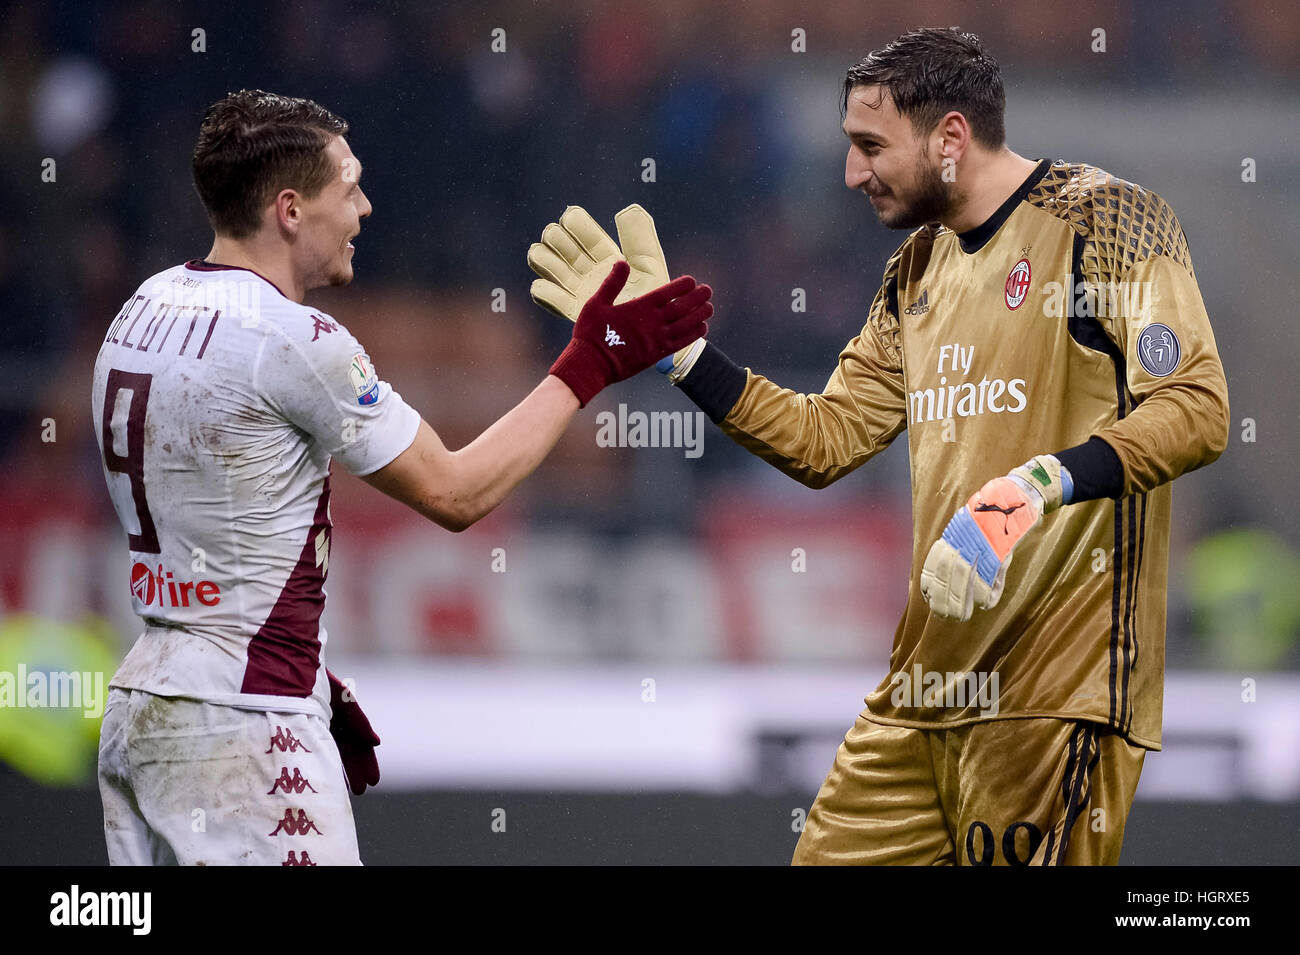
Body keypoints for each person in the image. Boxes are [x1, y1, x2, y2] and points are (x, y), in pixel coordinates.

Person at [529, 28, 1229, 865]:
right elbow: (827, 439)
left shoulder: (1106, 220)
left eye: (869, 147)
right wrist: (682, 354)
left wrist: (1031, 488)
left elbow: (1194, 405)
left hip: (1052, 697)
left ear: (951, 139)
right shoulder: (915, 270)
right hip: (918, 700)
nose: (850, 174)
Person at [92, 89, 711, 866]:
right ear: (290, 210)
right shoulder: (295, 338)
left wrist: (305, 668)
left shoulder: (142, 307)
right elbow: (456, 492)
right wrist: (593, 359)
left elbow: (218, 510)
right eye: (348, 187)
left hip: (146, 704)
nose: (366, 206)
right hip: (246, 718)